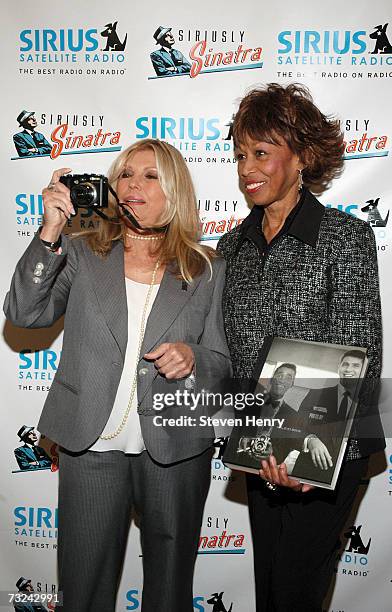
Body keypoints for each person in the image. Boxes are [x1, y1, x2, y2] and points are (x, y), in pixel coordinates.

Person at [4, 138, 231, 612]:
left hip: (175, 447)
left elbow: (223, 362)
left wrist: (193, 357)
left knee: (169, 590)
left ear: (175, 191)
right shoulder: (83, 252)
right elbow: (24, 314)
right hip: (91, 444)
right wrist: (49, 230)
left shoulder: (207, 268)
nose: (133, 185)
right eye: (125, 174)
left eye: (150, 176)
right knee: (82, 589)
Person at [217, 83, 384, 611]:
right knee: (271, 591)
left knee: (295, 595)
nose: (247, 167)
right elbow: (235, 358)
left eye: (261, 153)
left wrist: (306, 454)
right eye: (241, 154)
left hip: (329, 452)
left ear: (303, 157)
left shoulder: (346, 238)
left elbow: (359, 354)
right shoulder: (231, 247)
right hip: (259, 452)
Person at [293, 349, 366, 483]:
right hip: (307, 471)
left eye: (356, 365)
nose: (348, 369)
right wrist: (310, 440)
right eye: (345, 364)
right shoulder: (315, 394)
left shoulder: (368, 404)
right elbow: (295, 427)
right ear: (339, 367)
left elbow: (372, 444)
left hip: (346, 477)